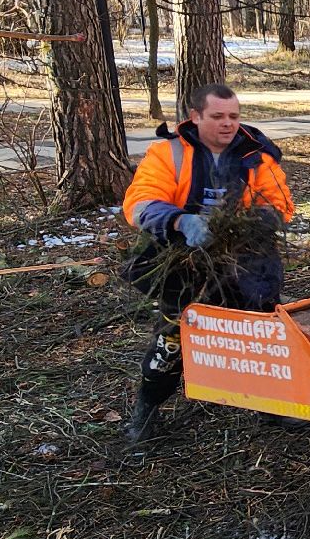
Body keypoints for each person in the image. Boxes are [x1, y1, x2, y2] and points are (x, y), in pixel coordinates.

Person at [121, 83, 293, 444]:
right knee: (173, 337)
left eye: (233, 116)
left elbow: (280, 206)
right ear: (196, 116)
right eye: (217, 116)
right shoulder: (168, 153)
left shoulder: (258, 155)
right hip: (184, 262)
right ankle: (146, 412)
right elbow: (140, 202)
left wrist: (253, 223)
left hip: (246, 262)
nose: (227, 124)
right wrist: (181, 222)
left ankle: (273, 407)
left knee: (259, 335)